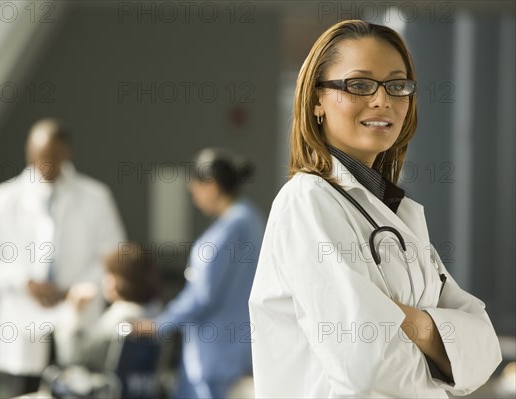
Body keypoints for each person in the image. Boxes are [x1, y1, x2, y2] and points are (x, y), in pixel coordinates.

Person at [249, 20, 502, 398]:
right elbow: (367, 363)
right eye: (359, 85)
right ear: (317, 99)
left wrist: (411, 322)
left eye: (397, 85)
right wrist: (439, 341)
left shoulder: (396, 214)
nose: (382, 100)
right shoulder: (307, 202)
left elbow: (485, 348)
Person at [0, 118, 127, 396]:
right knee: (25, 391)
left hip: (77, 314)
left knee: (76, 387)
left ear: (68, 152)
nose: (46, 164)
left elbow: (114, 254)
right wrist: (24, 283)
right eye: (40, 156)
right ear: (29, 153)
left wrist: (74, 289)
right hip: (24, 315)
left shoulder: (95, 196)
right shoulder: (6, 197)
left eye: (54, 156)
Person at [148, 148, 265, 399]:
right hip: (237, 350)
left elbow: (202, 295)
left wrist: (159, 324)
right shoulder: (250, 220)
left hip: (218, 355)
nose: (195, 199)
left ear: (210, 186)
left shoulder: (232, 228)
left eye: (195, 191)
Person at [54, 242, 161, 371]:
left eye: (108, 274)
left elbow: (74, 358)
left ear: (116, 281)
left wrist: (73, 312)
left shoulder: (120, 318)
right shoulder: (158, 315)